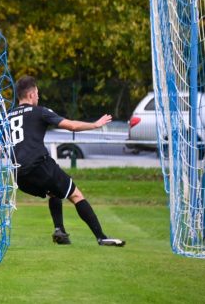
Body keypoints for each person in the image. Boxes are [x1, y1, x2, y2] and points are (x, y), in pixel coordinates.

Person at [7, 75, 125, 247]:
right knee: (76, 194)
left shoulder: (7, 116)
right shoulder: (40, 111)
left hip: (18, 174)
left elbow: (0, 147)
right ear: (32, 95)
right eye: (37, 94)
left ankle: (59, 230)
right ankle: (101, 237)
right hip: (40, 165)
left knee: (54, 191)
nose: (38, 97)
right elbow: (72, 126)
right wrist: (95, 124)